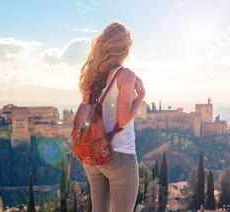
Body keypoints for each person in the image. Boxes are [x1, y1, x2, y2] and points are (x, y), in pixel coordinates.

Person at [78, 21, 145, 212]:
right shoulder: (125, 75)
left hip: (93, 154)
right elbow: (123, 119)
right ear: (124, 48)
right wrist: (140, 97)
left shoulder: (92, 77)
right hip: (119, 155)